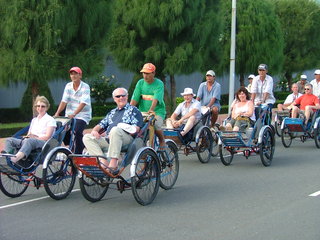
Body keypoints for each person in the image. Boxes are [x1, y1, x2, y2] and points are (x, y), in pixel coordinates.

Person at [83, 88, 143, 173]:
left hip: (126, 139)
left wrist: (124, 127)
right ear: (114, 99)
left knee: (115, 130)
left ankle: (113, 161)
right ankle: (102, 161)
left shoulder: (134, 110)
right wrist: (94, 131)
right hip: (109, 139)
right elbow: (100, 125)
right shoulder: (112, 112)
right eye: (118, 96)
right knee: (87, 137)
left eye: (123, 95)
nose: (121, 98)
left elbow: (136, 129)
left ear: (127, 96)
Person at [4, 96, 56, 163]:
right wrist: (28, 136)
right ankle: (9, 156)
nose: (40, 108)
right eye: (38, 106)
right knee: (9, 140)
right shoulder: (34, 120)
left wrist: (35, 137)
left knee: (30, 141)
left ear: (47, 107)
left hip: (43, 143)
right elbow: (29, 134)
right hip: (30, 140)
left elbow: (47, 137)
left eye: (43, 106)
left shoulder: (50, 119)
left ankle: (15, 159)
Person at [54, 67, 92, 154]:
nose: (73, 76)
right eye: (72, 74)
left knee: (77, 130)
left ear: (80, 75)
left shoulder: (85, 86)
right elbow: (64, 101)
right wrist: (57, 113)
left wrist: (74, 114)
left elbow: (83, 103)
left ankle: (78, 152)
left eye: (76, 73)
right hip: (69, 114)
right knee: (61, 129)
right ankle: (70, 146)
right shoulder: (68, 86)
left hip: (83, 115)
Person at [130, 63, 167, 149]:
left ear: (153, 73)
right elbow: (135, 98)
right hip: (143, 112)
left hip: (157, 111)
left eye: (147, 73)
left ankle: (162, 140)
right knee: (138, 127)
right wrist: (129, 110)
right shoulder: (140, 83)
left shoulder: (159, 83)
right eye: (144, 73)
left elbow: (156, 98)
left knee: (156, 124)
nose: (145, 76)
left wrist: (151, 110)